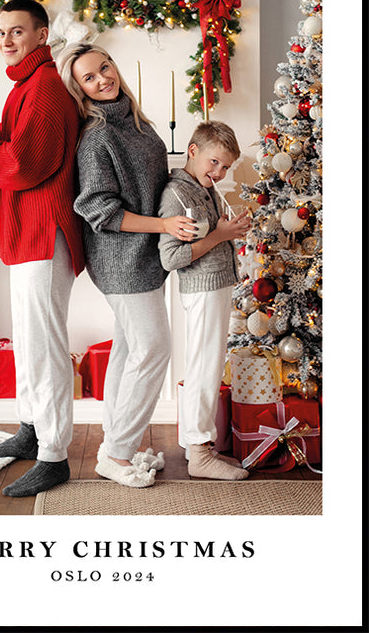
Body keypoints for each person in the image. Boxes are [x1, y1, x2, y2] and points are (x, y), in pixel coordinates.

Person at [0, 0, 85, 497]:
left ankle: (53, 455)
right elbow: (12, 149)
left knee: (43, 344)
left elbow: (23, 165)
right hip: (28, 231)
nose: (6, 41)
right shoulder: (23, 87)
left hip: (44, 232)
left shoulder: (45, 88)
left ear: (42, 35)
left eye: (17, 31)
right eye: (1, 33)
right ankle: (31, 431)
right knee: (27, 338)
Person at [57, 43, 196, 488]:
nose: (102, 79)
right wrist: (164, 225)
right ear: (79, 90)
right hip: (120, 260)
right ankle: (116, 454)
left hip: (145, 255)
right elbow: (100, 209)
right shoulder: (98, 136)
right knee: (154, 348)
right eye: (89, 78)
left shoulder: (137, 121)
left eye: (104, 68)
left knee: (128, 350)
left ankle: (116, 443)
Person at [158, 120, 252, 480]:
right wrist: (220, 234)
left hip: (216, 284)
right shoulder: (176, 195)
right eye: (214, 162)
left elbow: (210, 235)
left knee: (207, 365)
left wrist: (228, 231)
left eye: (226, 166)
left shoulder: (202, 188)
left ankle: (197, 445)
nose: (220, 172)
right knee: (203, 367)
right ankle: (200, 454)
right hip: (202, 288)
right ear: (193, 151)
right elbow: (172, 258)